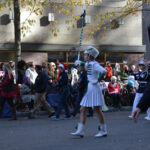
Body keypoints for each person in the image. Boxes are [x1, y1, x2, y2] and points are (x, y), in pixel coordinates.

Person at [71, 46, 107, 138]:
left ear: (90, 55)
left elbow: (104, 71)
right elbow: (83, 67)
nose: (84, 56)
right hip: (90, 87)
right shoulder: (90, 63)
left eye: (86, 54)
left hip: (94, 87)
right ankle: (80, 130)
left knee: (97, 110)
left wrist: (98, 80)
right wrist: (79, 63)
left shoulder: (94, 64)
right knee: (82, 109)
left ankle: (103, 130)